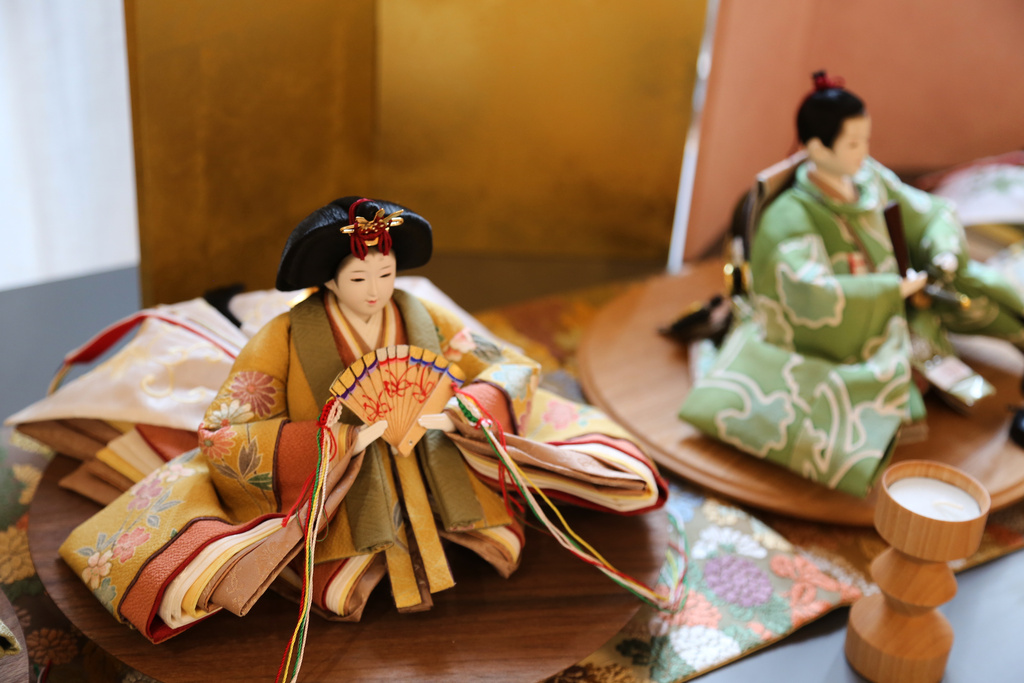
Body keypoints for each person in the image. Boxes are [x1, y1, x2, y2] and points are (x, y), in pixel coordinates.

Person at [60, 196, 667, 643]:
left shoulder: (423, 315)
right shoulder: (284, 337)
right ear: (327, 279)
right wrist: (329, 440)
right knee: (343, 587)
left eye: (386, 273)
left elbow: (506, 365)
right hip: (345, 491)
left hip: (437, 461)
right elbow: (226, 431)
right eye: (358, 278)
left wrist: (464, 408)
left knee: (499, 540)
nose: (376, 289)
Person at [679, 72, 1024, 497]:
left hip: (908, 307)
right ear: (817, 147)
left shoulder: (871, 180)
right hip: (840, 335)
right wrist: (889, 292)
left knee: (980, 289)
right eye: (853, 144)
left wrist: (943, 250)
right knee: (843, 417)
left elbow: (928, 211)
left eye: (865, 141)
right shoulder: (791, 214)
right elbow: (809, 291)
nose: (864, 153)